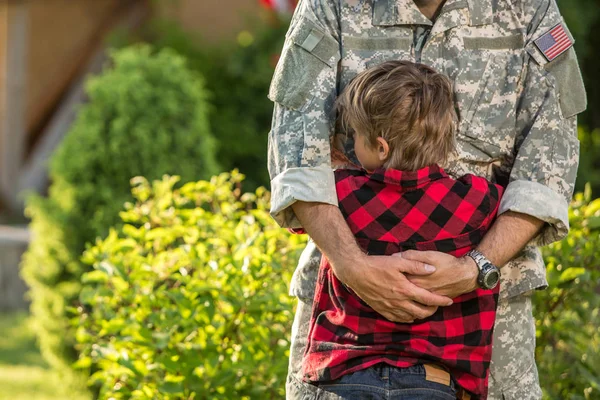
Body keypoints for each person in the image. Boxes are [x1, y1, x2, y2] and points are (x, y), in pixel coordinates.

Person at [267, 1, 586, 399]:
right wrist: (353, 266)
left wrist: (477, 267)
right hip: (347, 320)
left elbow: (548, 164)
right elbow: (296, 158)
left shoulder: (528, 8)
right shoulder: (329, 6)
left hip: (487, 321)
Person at [295, 60, 504, 399]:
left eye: (356, 137)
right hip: (435, 380)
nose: (353, 145)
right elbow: (516, 210)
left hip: (349, 374)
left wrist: (338, 165)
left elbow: (303, 212)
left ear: (381, 147)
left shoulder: (341, 193)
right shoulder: (476, 200)